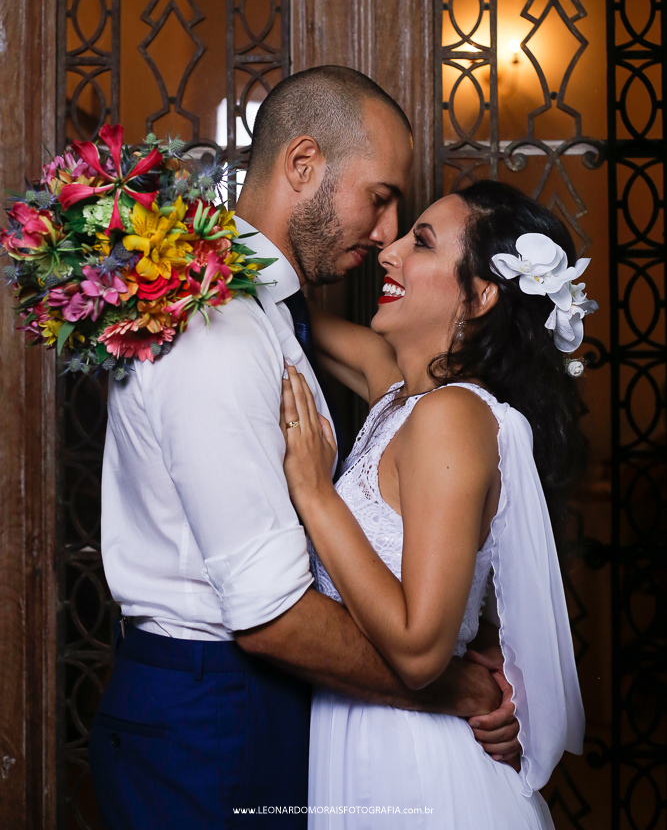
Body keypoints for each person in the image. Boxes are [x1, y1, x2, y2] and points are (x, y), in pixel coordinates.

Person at [89, 69, 518, 829]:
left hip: (280, 699)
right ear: (301, 166)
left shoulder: (261, 313)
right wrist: (455, 688)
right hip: (212, 706)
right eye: (380, 198)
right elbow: (270, 615)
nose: (386, 234)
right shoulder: (211, 324)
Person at [280, 181, 588, 829]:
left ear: (478, 297)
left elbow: (422, 653)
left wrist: (314, 495)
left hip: (414, 762)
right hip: (361, 739)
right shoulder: (396, 394)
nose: (387, 253)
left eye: (418, 242)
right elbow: (281, 313)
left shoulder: (453, 416)